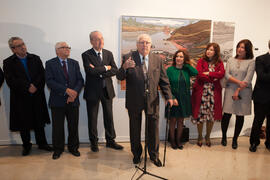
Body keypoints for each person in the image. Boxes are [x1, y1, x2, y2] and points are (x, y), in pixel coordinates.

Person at [116, 34, 173, 167]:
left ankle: (153, 155)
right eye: (142, 42)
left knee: (153, 129)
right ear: (137, 45)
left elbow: (164, 80)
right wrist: (124, 67)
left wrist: (169, 96)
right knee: (135, 128)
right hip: (134, 100)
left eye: (147, 42)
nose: (144, 45)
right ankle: (136, 154)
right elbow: (119, 76)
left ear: (150, 45)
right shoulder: (128, 57)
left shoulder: (157, 59)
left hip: (152, 99)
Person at [3, 37, 52, 156]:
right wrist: (27, 86)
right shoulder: (8, 62)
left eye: (23, 44)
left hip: (37, 94)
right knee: (23, 122)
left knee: (39, 121)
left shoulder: (35, 58)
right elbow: (11, 80)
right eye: (19, 46)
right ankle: (26, 145)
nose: (23, 47)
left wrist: (34, 85)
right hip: (21, 97)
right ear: (13, 49)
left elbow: (42, 74)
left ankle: (42, 143)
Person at [82, 31, 123, 152]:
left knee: (109, 117)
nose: (101, 41)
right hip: (92, 92)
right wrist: (105, 68)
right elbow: (90, 71)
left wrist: (99, 73)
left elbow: (115, 69)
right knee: (92, 118)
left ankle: (110, 141)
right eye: (97, 39)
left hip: (107, 90)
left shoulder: (108, 54)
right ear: (91, 42)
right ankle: (93, 143)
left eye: (102, 38)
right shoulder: (86, 55)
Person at [45, 42, 84, 159]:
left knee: (73, 126)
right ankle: (58, 149)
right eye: (64, 47)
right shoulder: (50, 63)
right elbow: (50, 81)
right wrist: (67, 90)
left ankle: (73, 148)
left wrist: (74, 93)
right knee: (58, 127)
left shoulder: (74, 63)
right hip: (57, 101)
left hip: (73, 101)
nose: (67, 49)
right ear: (57, 50)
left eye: (68, 47)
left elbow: (80, 80)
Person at [221, 39, 255, 149]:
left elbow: (248, 79)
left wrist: (238, 90)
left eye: (242, 48)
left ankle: (235, 139)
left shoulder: (251, 61)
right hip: (230, 89)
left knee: (240, 116)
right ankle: (224, 137)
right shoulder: (230, 60)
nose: (239, 49)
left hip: (244, 92)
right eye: (238, 47)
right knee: (226, 115)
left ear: (247, 50)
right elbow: (226, 75)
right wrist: (238, 83)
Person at [192, 43, 225, 147]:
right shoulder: (201, 61)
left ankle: (208, 136)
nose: (208, 51)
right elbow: (200, 74)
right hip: (202, 92)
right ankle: (200, 136)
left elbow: (222, 74)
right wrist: (213, 77)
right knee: (200, 116)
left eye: (211, 50)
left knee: (211, 116)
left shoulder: (219, 62)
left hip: (213, 94)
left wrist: (209, 73)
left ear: (216, 52)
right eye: (208, 49)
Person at [166, 50, 198, 150]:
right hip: (173, 99)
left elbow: (196, 72)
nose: (179, 58)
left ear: (184, 59)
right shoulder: (169, 70)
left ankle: (179, 141)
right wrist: (172, 97)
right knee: (172, 121)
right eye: (177, 56)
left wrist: (187, 64)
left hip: (184, 99)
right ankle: (172, 140)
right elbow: (166, 86)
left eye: (181, 57)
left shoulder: (186, 69)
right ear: (174, 58)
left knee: (180, 121)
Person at [249, 40, 270, 152]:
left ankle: (269, 143)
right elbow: (262, 76)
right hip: (261, 96)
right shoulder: (261, 59)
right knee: (258, 121)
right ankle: (254, 142)